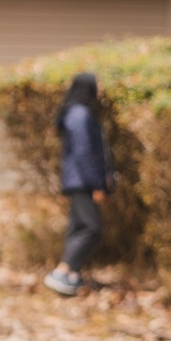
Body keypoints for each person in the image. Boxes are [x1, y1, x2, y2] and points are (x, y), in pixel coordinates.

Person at [44, 71, 114, 297]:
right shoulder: (80, 115)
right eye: (98, 85)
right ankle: (62, 271)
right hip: (83, 180)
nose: (100, 90)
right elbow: (85, 153)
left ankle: (70, 277)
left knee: (78, 226)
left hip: (77, 179)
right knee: (91, 228)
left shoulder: (76, 113)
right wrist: (97, 184)